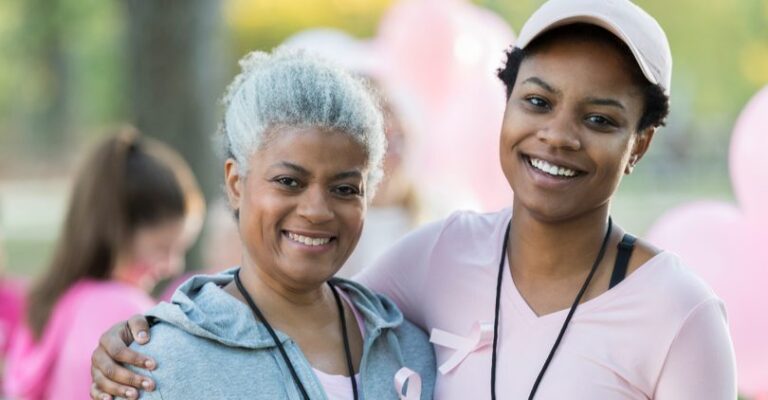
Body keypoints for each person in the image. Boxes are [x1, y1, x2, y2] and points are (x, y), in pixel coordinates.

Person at [90, 0, 737, 399]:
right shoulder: (438, 256)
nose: (558, 136)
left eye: (600, 119)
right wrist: (161, 328)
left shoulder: (680, 315)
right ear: (504, 106)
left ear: (641, 143)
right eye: (537, 102)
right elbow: (299, 294)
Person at [94, 48, 436, 400]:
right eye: (289, 181)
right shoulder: (158, 366)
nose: (317, 210)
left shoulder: (411, 348)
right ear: (236, 183)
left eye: (345, 188)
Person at [3, 128, 204, 400]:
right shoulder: (122, 311)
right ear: (118, 231)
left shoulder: (54, 305)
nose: (173, 266)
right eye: (162, 248)